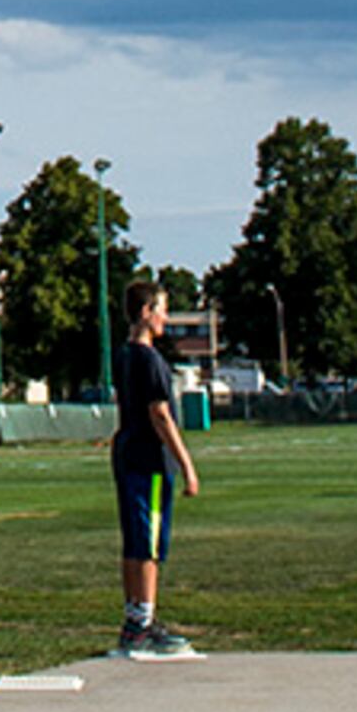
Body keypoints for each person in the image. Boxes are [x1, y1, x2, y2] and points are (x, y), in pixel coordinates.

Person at [110, 279, 202, 658]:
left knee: (134, 540)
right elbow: (160, 413)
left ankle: (134, 619)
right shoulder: (149, 360)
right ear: (146, 313)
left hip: (127, 452)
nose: (166, 317)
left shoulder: (122, 355)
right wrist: (187, 464)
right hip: (149, 458)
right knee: (148, 546)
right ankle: (144, 625)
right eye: (161, 309)